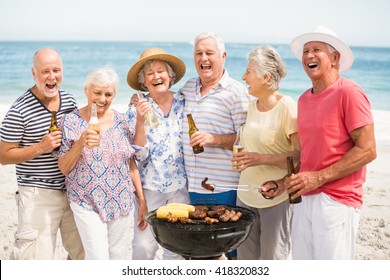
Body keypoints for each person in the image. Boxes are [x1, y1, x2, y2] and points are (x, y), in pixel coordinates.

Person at [287, 25, 377, 259]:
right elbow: (310, 154)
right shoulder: (304, 99)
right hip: (305, 198)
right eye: (305, 51)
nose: (308, 56)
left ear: (335, 58)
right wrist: (284, 182)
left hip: (337, 200)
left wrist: (318, 178)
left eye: (316, 49)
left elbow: (367, 150)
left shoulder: (349, 92)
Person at [0, 48, 84, 260]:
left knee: (84, 254)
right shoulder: (20, 109)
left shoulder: (69, 100)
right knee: (34, 259)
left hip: (72, 191)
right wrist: (40, 147)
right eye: (45, 71)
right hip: (38, 193)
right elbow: (3, 155)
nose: (52, 76)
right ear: (34, 73)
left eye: (56, 70)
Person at [57, 66, 148, 260]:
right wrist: (80, 143)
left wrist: (141, 200)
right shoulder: (70, 121)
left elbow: (131, 164)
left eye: (108, 94)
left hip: (121, 200)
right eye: (97, 92)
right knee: (97, 258)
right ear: (86, 90)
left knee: (118, 257)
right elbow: (63, 167)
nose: (102, 99)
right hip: (85, 201)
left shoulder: (123, 121)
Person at [180, 32, 252, 259]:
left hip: (224, 186)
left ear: (223, 56)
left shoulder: (236, 91)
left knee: (228, 248)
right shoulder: (188, 88)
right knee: (198, 250)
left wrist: (215, 139)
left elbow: (247, 139)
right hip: (191, 187)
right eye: (198, 53)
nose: (204, 58)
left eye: (209, 53)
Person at [232, 45, 300, 260]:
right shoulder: (251, 107)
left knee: (273, 260)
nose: (244, 77)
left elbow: (300, 156)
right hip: (245, 196)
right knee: (246, 262)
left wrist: (260, 159)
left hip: (275, 198)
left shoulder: (287, 107)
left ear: (266, 77)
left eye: (248, 72)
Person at [126, 48, 190, 260]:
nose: (156, 77)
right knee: (144, 247)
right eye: (150, 73)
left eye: (161, 71)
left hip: (181, 187)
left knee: (176, 247)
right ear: (143, 81)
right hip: (150, 188)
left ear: (170, 77)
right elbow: (139, 154)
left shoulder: (184, 101)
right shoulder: (137, 107)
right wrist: (140, 120)